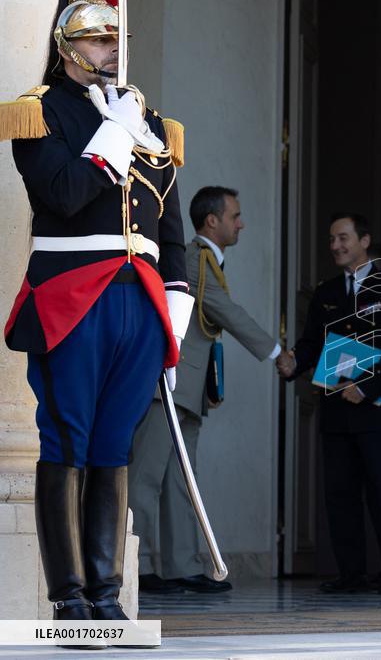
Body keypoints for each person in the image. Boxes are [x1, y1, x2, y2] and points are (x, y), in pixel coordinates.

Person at [0, 0, 192, 630]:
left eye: (116, 39)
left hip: (139, 299)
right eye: (98, 40)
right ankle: (69, 597)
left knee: (114, 445)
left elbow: (170, 231)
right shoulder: (39, 113)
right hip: (72, 295)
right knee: (67, 439)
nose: (112, 49)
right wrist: (113, 134)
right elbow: (63, 194)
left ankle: (106, 596)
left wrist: (177, 306)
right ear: (68, 48)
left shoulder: (151, 122)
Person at [129, 186, 282, 594]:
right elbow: (225, 312)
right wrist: (277, 352)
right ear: (211, 220)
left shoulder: (207, 261)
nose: (241, 223)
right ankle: (134, 565)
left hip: (189, 388)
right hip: (170, 384)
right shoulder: (196, 258)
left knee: (182, 482)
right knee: (145, 476)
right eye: (235, 215)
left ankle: (181, 565)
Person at [277, 213, 381, 594]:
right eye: (332, 239)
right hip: (336, 410)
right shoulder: (326, 292)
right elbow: (311, 344)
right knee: (341, 495)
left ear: (364, 241)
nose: (335, 246)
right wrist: (293, 363)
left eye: (343, 238)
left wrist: (367, 387)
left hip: (379, 412)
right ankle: (350, 573)